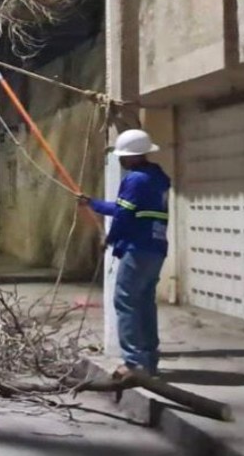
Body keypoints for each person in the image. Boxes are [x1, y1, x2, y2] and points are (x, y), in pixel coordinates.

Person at [77, 129, 171, 380]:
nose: (120, 159)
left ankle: (134, 363)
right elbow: (124, 208)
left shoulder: (135, 179)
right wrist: (93, 203)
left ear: (132, 156)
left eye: (123, 155)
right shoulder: (158, 177)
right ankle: (149, 361)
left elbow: (123, 216)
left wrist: (110, 238)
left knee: (125, 301)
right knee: (144, 303)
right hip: (155, 249)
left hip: (137, 248)